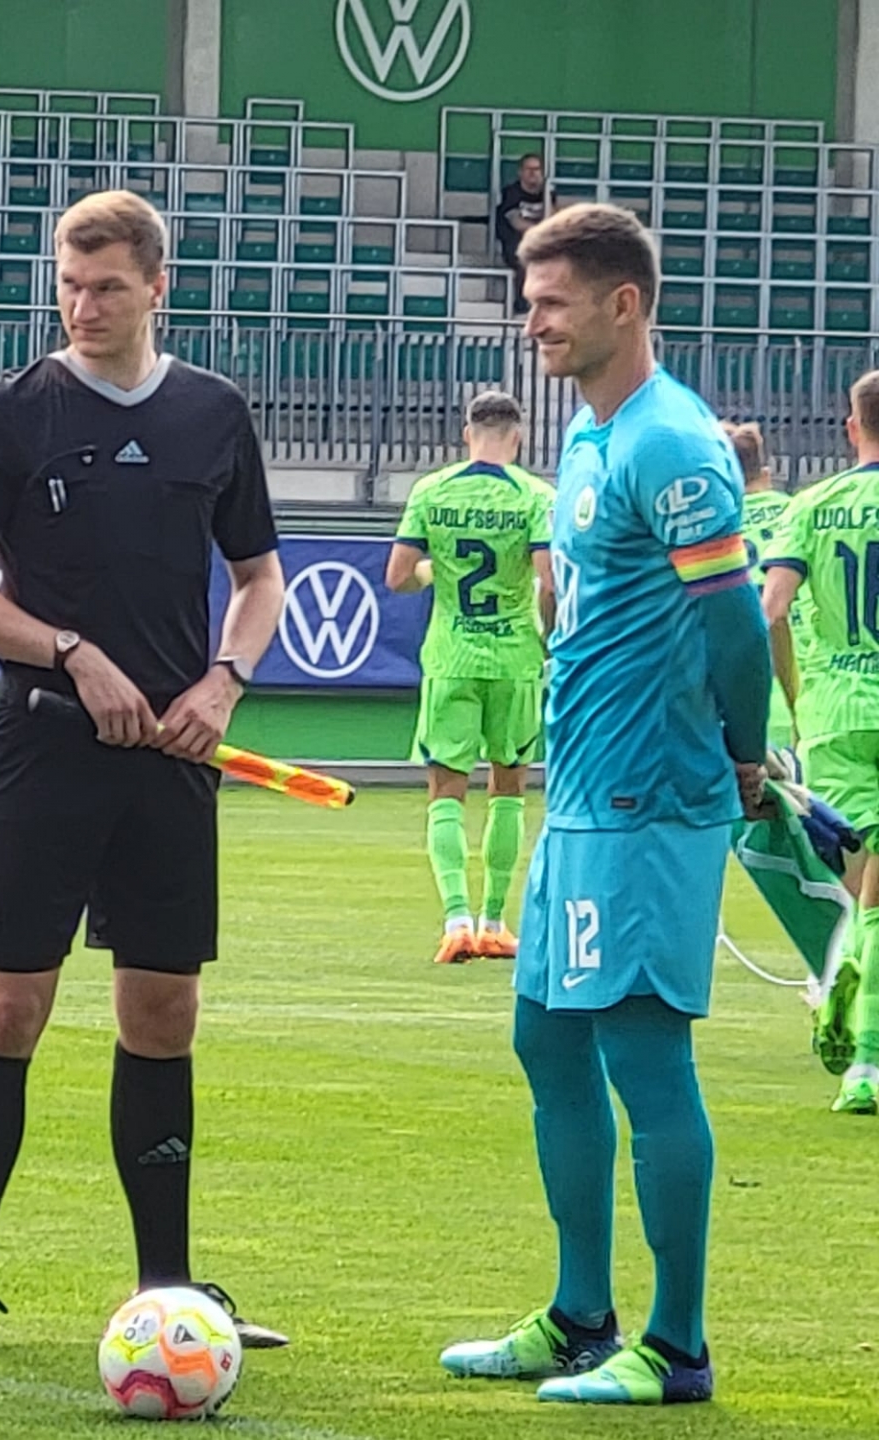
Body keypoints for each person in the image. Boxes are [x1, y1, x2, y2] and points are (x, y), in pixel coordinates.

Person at [0, 190, 289, 1355]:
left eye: (109, 286)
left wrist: (222, 682)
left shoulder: (214, 413)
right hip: (42, 746)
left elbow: (261, 580)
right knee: (8, 1007)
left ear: (157, 288)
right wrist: (72, 652)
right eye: (70, 286)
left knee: (163, 1013)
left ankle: (168, 1288)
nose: (84, 306)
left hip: (171, 758)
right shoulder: (9, 413)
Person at [440, 203, 769, 1406]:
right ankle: (583, 1315)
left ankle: (677, 1347)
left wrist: (746, 757)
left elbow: (737, 623)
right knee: (546, 1036)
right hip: (582, 795)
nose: (531, 322)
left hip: (649, 794)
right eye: (528, 302)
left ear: (623, 304)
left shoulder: (671, 442)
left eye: (551, 302)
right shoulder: (588, 434)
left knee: (644, 1053)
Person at [386, 391, 555, 964]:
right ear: (518, 436)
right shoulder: (536, 496)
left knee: (446, 792)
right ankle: (495, 922)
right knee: (509, 789)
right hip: (514, 659)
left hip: (451, 656)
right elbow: (550, 581)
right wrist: (550, 638)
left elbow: (397, 577)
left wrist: (436, 571)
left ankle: (456, 920)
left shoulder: (431, 491)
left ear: (467, 433)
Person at [762, 375, 879, 1115]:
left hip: (835, 713)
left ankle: (848, 1006)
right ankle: (865, 1060)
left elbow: (770, 611)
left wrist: (795, 697)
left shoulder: (810, 506)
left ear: (850, 427)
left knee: (864, 891)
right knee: (877, 901)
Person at [725, 422, 800, 752]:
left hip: (738, 690)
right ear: (765, 474)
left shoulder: (713, 525)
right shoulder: (797, 511)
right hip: (802, 678)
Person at [496, 154, 550, 313]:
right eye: (528, 169)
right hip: (515, 242)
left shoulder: (547, 192)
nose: (533, 173)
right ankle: (521, 304)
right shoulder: (511, 193)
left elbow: (553, 217)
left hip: (538, 240)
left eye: (537, 169)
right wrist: (541, 230)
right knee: (524, 260)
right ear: (520, 172)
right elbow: (517, 223)